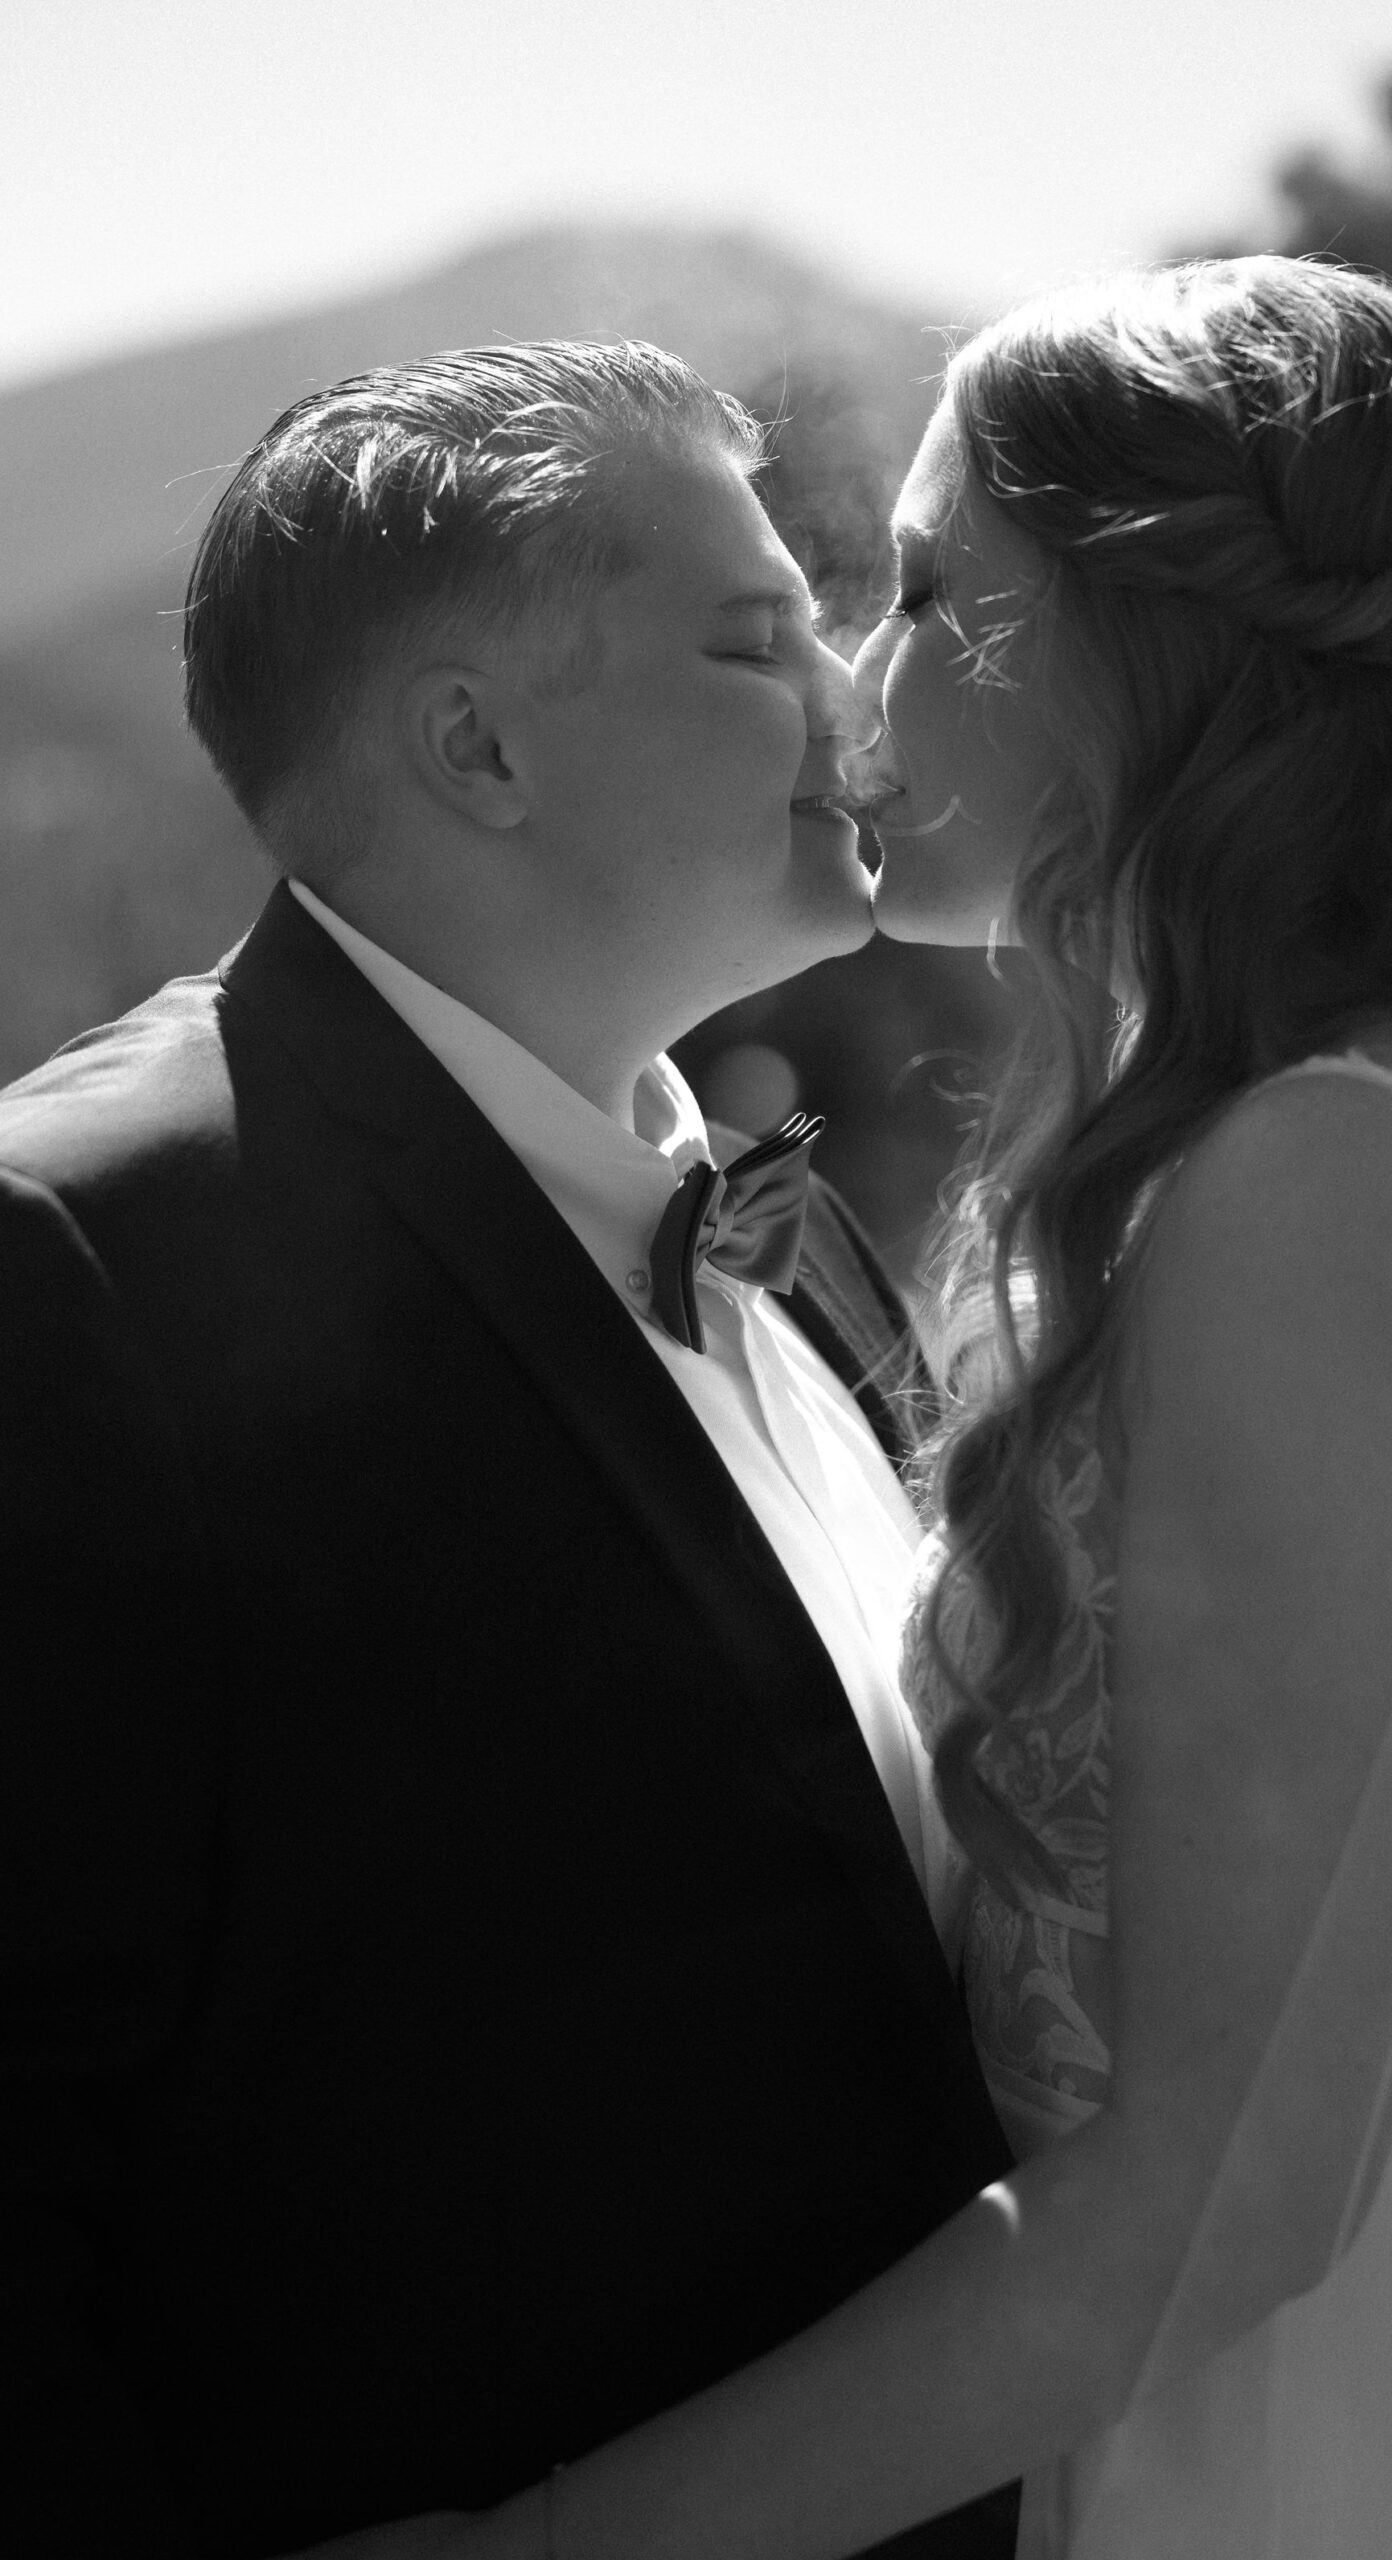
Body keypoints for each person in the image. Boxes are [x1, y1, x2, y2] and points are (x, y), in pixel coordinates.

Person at [538, 261, 1392, 2557]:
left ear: (1149, 644)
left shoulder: (1323, 1186)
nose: (859, 679)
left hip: (1285, 2464)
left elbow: (1217, 2195)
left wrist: (530, 2548)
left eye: (934, 590)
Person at [0, 341, 1021, 2557]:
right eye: (756, 637)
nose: (856, 695)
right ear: (473, 743)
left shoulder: (783, 1216)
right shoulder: (72, 1255)